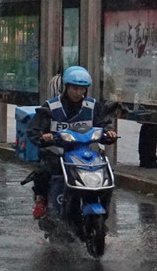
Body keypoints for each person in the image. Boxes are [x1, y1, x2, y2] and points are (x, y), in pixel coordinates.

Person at [27, 65, 117, 219]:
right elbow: (34, 130)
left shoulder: (93, 106)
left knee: (106, 172)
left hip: (84, 154)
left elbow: (103, 123)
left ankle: (101, 205)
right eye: (74, 88)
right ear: (66, 87)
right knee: (43, 171)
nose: (78, 93)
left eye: (82, 89)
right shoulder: (51, 106)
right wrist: (44, 137)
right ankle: (41, 200)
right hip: (58, 154)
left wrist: (109, 132)